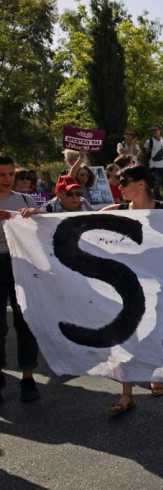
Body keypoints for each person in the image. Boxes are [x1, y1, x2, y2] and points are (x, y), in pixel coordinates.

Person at [101, 165, 163, 413]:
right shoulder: (117, 210)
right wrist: (38, 216)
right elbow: (75, 221)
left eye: (124, 182)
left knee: (152, 331)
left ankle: (155, 375)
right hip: (123, 286)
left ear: (141, 184)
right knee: (124, 335)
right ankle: (126, 392)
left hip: (156, 284)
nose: (119, 186)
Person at [0, 153, 41, 403]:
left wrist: (37, 214)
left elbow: (50, 225)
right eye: (2, 175)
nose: (7, 179)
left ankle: (28, 376)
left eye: (11, 174)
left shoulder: (24, 198)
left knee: (26, 321)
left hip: (21, 264)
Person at [21, 175, 93, 214]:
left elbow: (96, 216)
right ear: (58, 194)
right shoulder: (48, 208)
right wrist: (39, 215)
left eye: (78, 194)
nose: (75, 197)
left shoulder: (83, 202)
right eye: (69, 194)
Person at [143, 124, 163, 200]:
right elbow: (144, 149)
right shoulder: (149, 141)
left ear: (160, 130)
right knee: (155, 185)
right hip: (153, 166)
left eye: (155, 130)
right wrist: (149, 156)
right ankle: (157, 201)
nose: (153, 132)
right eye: (152, 130)